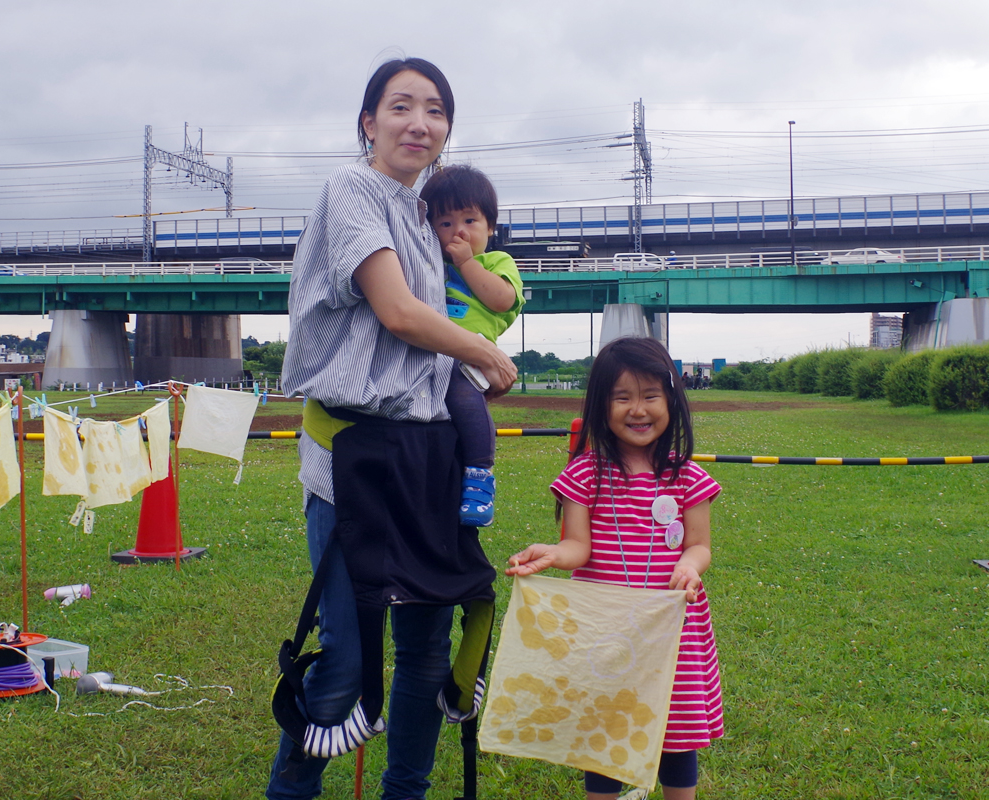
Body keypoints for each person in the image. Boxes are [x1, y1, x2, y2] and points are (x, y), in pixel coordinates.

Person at [271, 56, 517, 800]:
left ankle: (403, 792)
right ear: (368, 122)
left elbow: (461, 313)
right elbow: (398, 312)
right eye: (401, 106)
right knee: (346, 655)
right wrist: (483, 354)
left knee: (425, 651)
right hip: (356, 456)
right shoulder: (353, 190)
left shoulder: (425, 216)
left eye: (436, 110)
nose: (420, 123)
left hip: (425, 457)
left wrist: (466, 365)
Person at [505, 336, 724, 800]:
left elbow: (701, 545)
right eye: (622, 397)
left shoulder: (687, 476)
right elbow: (576, 546)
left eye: (649, 396)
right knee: (601, 726)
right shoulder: (585, 473)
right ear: (602, 405)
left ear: (671, 400)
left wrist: (688, 564)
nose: (637, 409)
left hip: (672, 628)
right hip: (605, 627)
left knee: (674, 729)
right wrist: (550, 553)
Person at [418, 164, 524, 526]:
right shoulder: (430, 263)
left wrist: (466, 264)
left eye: (470, 220)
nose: (458, 231)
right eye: (445, 223)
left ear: (490, 227)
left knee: (466, 401)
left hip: (470, 359)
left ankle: (480, 474)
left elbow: (502, 300)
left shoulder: (496, 261)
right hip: (428, 354)